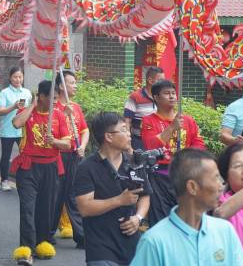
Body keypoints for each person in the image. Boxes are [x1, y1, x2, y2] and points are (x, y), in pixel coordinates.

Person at [129, 149, 243, 266]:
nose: (221, 186)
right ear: (192, 187)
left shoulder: (225, 231)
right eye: (215, 178)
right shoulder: (154, 242)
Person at [75, 112, 151, 266]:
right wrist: (119, 200)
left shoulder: (134, 163)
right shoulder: (87, 168)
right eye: (123, 130)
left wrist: (138, 218)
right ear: (109, 137)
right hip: (100, 247)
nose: (129, 134)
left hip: (131, 245)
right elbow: (85, 207)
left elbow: (145, 196)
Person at [11, 80, 72, 266]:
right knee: (28, 209)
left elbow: (67, 144)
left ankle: (42, 243)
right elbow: (16, 123)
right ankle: (26, 250)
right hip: (29, 168)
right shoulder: (29, 113)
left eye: (57, 98)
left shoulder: (60, 116)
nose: (55, 102)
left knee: (46, 208)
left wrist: (54, 141)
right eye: (51, 98)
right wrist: (33, 105)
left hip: (51, 168)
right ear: (42, 96)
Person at [140, 79, 206, 225]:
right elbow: (150, 145)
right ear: (156, 97)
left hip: (184, 173)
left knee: (186, 216)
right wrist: (171, 128)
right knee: (161, 218)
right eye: (166, 93)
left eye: (173, 93)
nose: (172, 96)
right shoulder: (148, 121)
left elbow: (199, 143)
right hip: (160, 176)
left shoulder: (187, 120)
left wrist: (188, 158)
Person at [51, 69, 89, 246]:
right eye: (71, 82)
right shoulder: (53, 108)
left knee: (74, 195)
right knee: (56, 195)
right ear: (61, 86)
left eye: (75, 82)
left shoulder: (76, 107)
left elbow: (84, 130)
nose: (75, 86)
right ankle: (47, 232)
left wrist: (82, 146)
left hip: (75, 156)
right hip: (58, 156)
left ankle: (81, 235)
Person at [0, 67, 32, 191]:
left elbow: (31, 109)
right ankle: (4, 180)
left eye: (20, 77)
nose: (18, 79)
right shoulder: (4, 92)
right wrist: (14, 106)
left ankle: (25, 180)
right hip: (8, 130)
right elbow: (0, 111)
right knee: (6, 156)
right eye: (15, 77)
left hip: (23, 130)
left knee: (26, 155)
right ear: (10, 78)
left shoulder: (27, 93)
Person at [124, 66, 164, 150]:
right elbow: (127, 122)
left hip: (160, 140)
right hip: (139, 141)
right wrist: (128, 144)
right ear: (150, 81)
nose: (163, 83)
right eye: (160, 80)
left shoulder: (163, 97)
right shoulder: (135, 96)